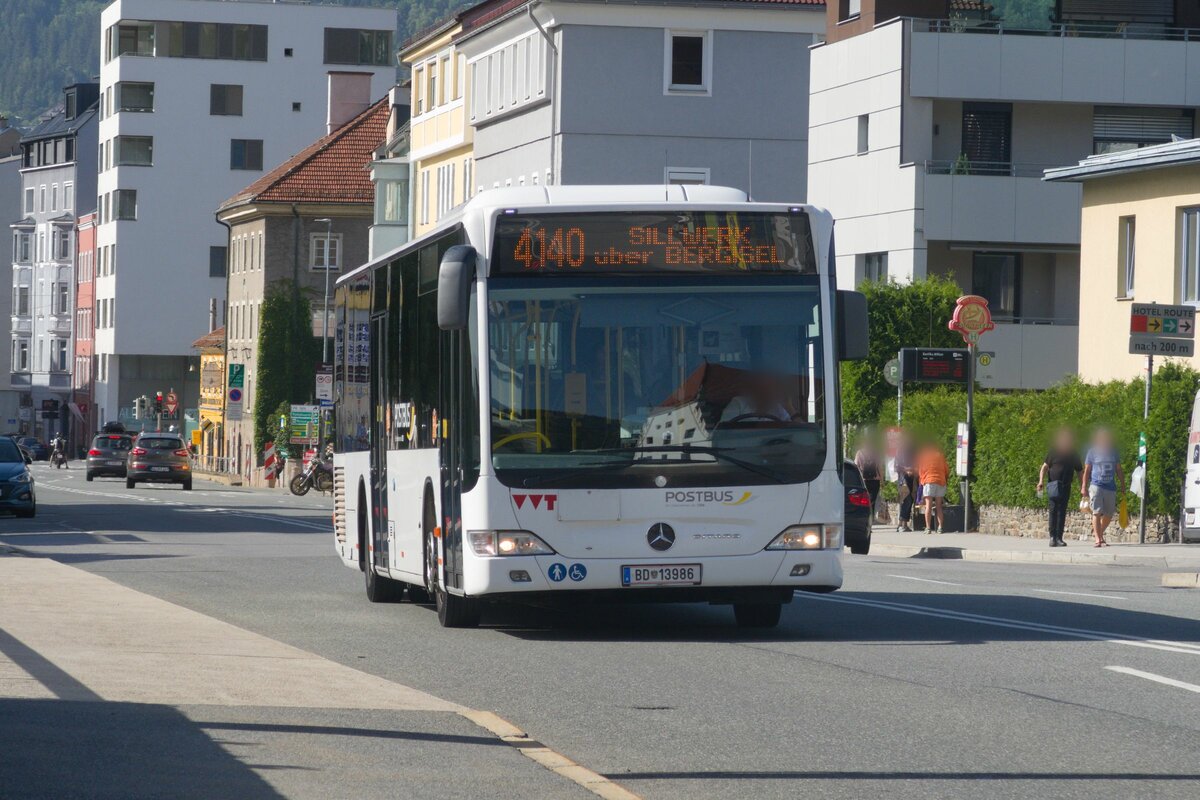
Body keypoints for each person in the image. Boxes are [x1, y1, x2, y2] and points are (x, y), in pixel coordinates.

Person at [1038, 427, 1083, 548]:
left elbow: (1079, 471)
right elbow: (1044, 467)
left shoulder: (1073, 454)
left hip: (1065, 485)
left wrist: (1082, 486)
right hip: (1053, 485)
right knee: (1053, 510)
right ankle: (1052, 537)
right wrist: (1041, 481)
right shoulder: (1053, 452)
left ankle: (1059, 537)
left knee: (1062, 511)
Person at [1081, 427, 1123, 548]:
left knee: (1109, 514)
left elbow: (1119, 469)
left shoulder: (1114, 452)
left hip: (1111, 487)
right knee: (1097, 512)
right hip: (1096, 486)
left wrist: (1123, 485)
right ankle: (1098, 539)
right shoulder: (1092, 452)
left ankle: (1098, 532)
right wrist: (1084, 486)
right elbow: (1087, 470)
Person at [916, 438, 948, 534]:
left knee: (928, 506)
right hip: (940, 481)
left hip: (928, 481)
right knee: (939, 506)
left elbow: (921, 471)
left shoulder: (923, 456)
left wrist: (921, 482)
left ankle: (928, 528)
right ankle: (940, 528)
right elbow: (946, 469)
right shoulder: (940, 455)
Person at [854, 435, 882, 522]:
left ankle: (865, 519)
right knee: (872, 501)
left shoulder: (859, 453)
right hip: (875, 479)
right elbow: (880, 467)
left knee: (864, 501)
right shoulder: (876, 453)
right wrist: (882, 479)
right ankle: (871, 520)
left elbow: (856, 466)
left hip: (864, 480)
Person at [894, 432, 916, 532]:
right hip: (903, 479)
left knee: (906, 500)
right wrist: (907, 470)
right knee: (906, 500)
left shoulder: (910, 450)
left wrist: (913, 470)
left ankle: (900, 524)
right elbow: (897, 466)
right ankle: (903, 524)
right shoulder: (901, 451)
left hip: (909, 479)